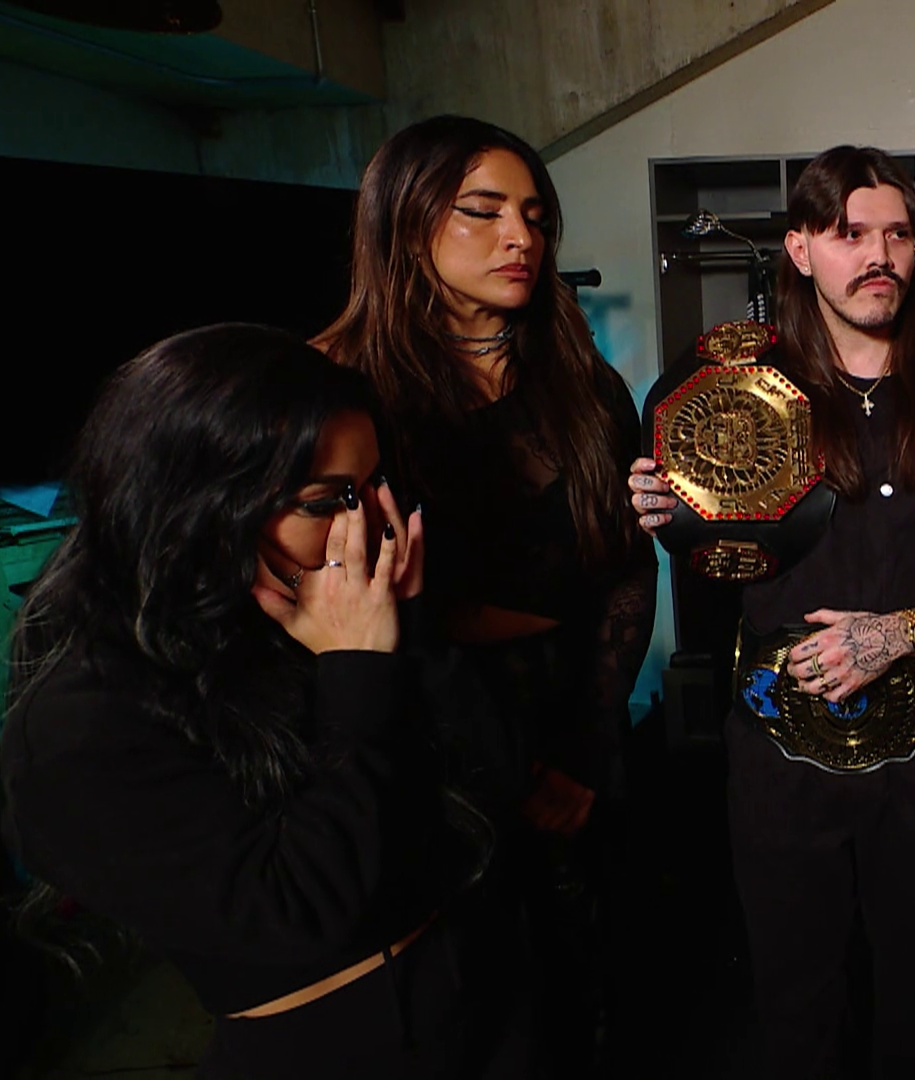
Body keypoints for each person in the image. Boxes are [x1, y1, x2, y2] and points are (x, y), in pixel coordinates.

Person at [0, 324, 529, 1078]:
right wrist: (356, 671)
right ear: (201, 503)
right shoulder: (78, 727)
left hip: (491, 1001)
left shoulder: (300, 612)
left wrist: (411, 635)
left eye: (375, 486)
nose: (371, 527)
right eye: (328, 500)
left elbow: (494, 780)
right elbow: (302, 909)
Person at [629, 144, 915, 1079]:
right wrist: (666, 511)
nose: (879, 256)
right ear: (802, 248)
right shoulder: (734, 393)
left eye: (897, 233)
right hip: (777, 760)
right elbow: (700, 547)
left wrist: (900, 631)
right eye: (850, 234)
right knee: (796, 1011)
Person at [315, 115, 658, 1075]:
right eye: (484, 210)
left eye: (536, 216)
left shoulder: (582, 383)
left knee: (578, 996)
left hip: (566, 723)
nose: (521, 237)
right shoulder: (331, 387)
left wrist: (586, 748)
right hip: (413, 743)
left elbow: (626, 567)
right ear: (404, 218)